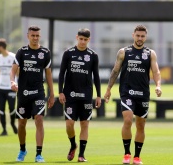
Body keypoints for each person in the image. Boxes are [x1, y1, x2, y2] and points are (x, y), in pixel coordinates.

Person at [104, 25, 162, 165]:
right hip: (127, 92)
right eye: (138, 35)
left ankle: (137, 156)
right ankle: (126, 154)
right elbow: (115, 71)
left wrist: (158, 85)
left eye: (142, 36)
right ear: (133, 35)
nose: (140, 38)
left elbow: (156, 71)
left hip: (143, 94)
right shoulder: (124, 52)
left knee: (140, 126)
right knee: (128, 120)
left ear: (145, 37)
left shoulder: (150, 53)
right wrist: (108, 89)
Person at [10, 26, 55, 163]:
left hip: (38, 93)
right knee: (22, 123)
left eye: (37, 36)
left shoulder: (45, 52)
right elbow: (13, 71)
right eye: (33, 35)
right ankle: (22, 150)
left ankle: (39, 154)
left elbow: (48, 75)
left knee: (39, 119)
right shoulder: (21, 52)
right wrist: (12, 82)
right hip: (23, 93)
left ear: (39, 37)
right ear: (28, 36)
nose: (35, 38)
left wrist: (52, 94)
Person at [58, 28, 101, 162]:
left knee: (84, 124)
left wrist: (98, 95)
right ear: (77, 38)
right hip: (70, 95)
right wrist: (60, 91)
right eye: (81, 39)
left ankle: (81, 155)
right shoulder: (68, 53)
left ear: (89, 40)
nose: (82, 42)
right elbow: (61, 74)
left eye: (85, 39)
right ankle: (73, 145)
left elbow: (96, 76)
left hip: (86, 96)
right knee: (69, 124)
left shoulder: (93, 55)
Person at [0, 38, 18, 136]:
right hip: (1, 88)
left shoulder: (13, 56)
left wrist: (16, 83)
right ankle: (4, 130)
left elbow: (17, 72)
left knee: (12, 108)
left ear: (0, 47)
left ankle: (13, 124)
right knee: (1, 109)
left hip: (11, 87)